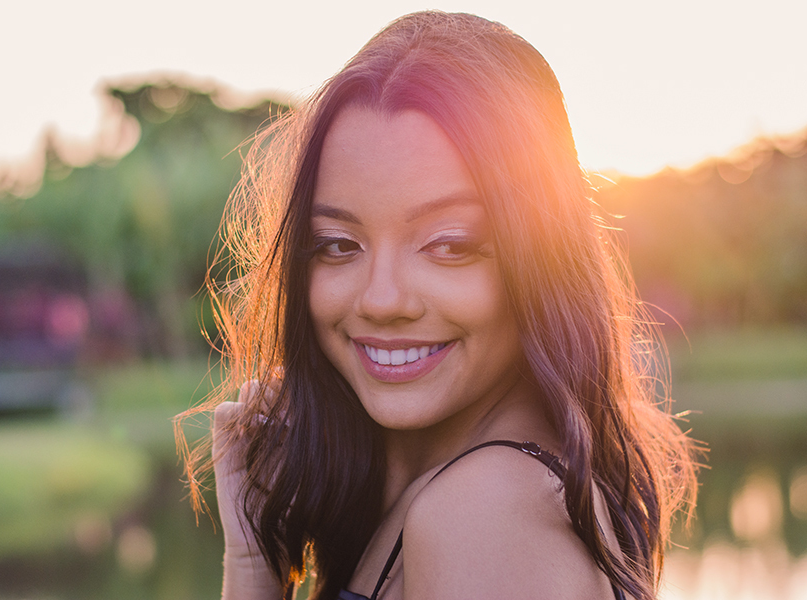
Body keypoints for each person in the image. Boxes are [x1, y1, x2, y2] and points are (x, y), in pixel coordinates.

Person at [176, 10, 699, 600]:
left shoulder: (485, 514)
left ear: (538, 260)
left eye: (448, 244)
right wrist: (253, 564)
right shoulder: (455, 493)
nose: (381, 299)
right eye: (339, 245)